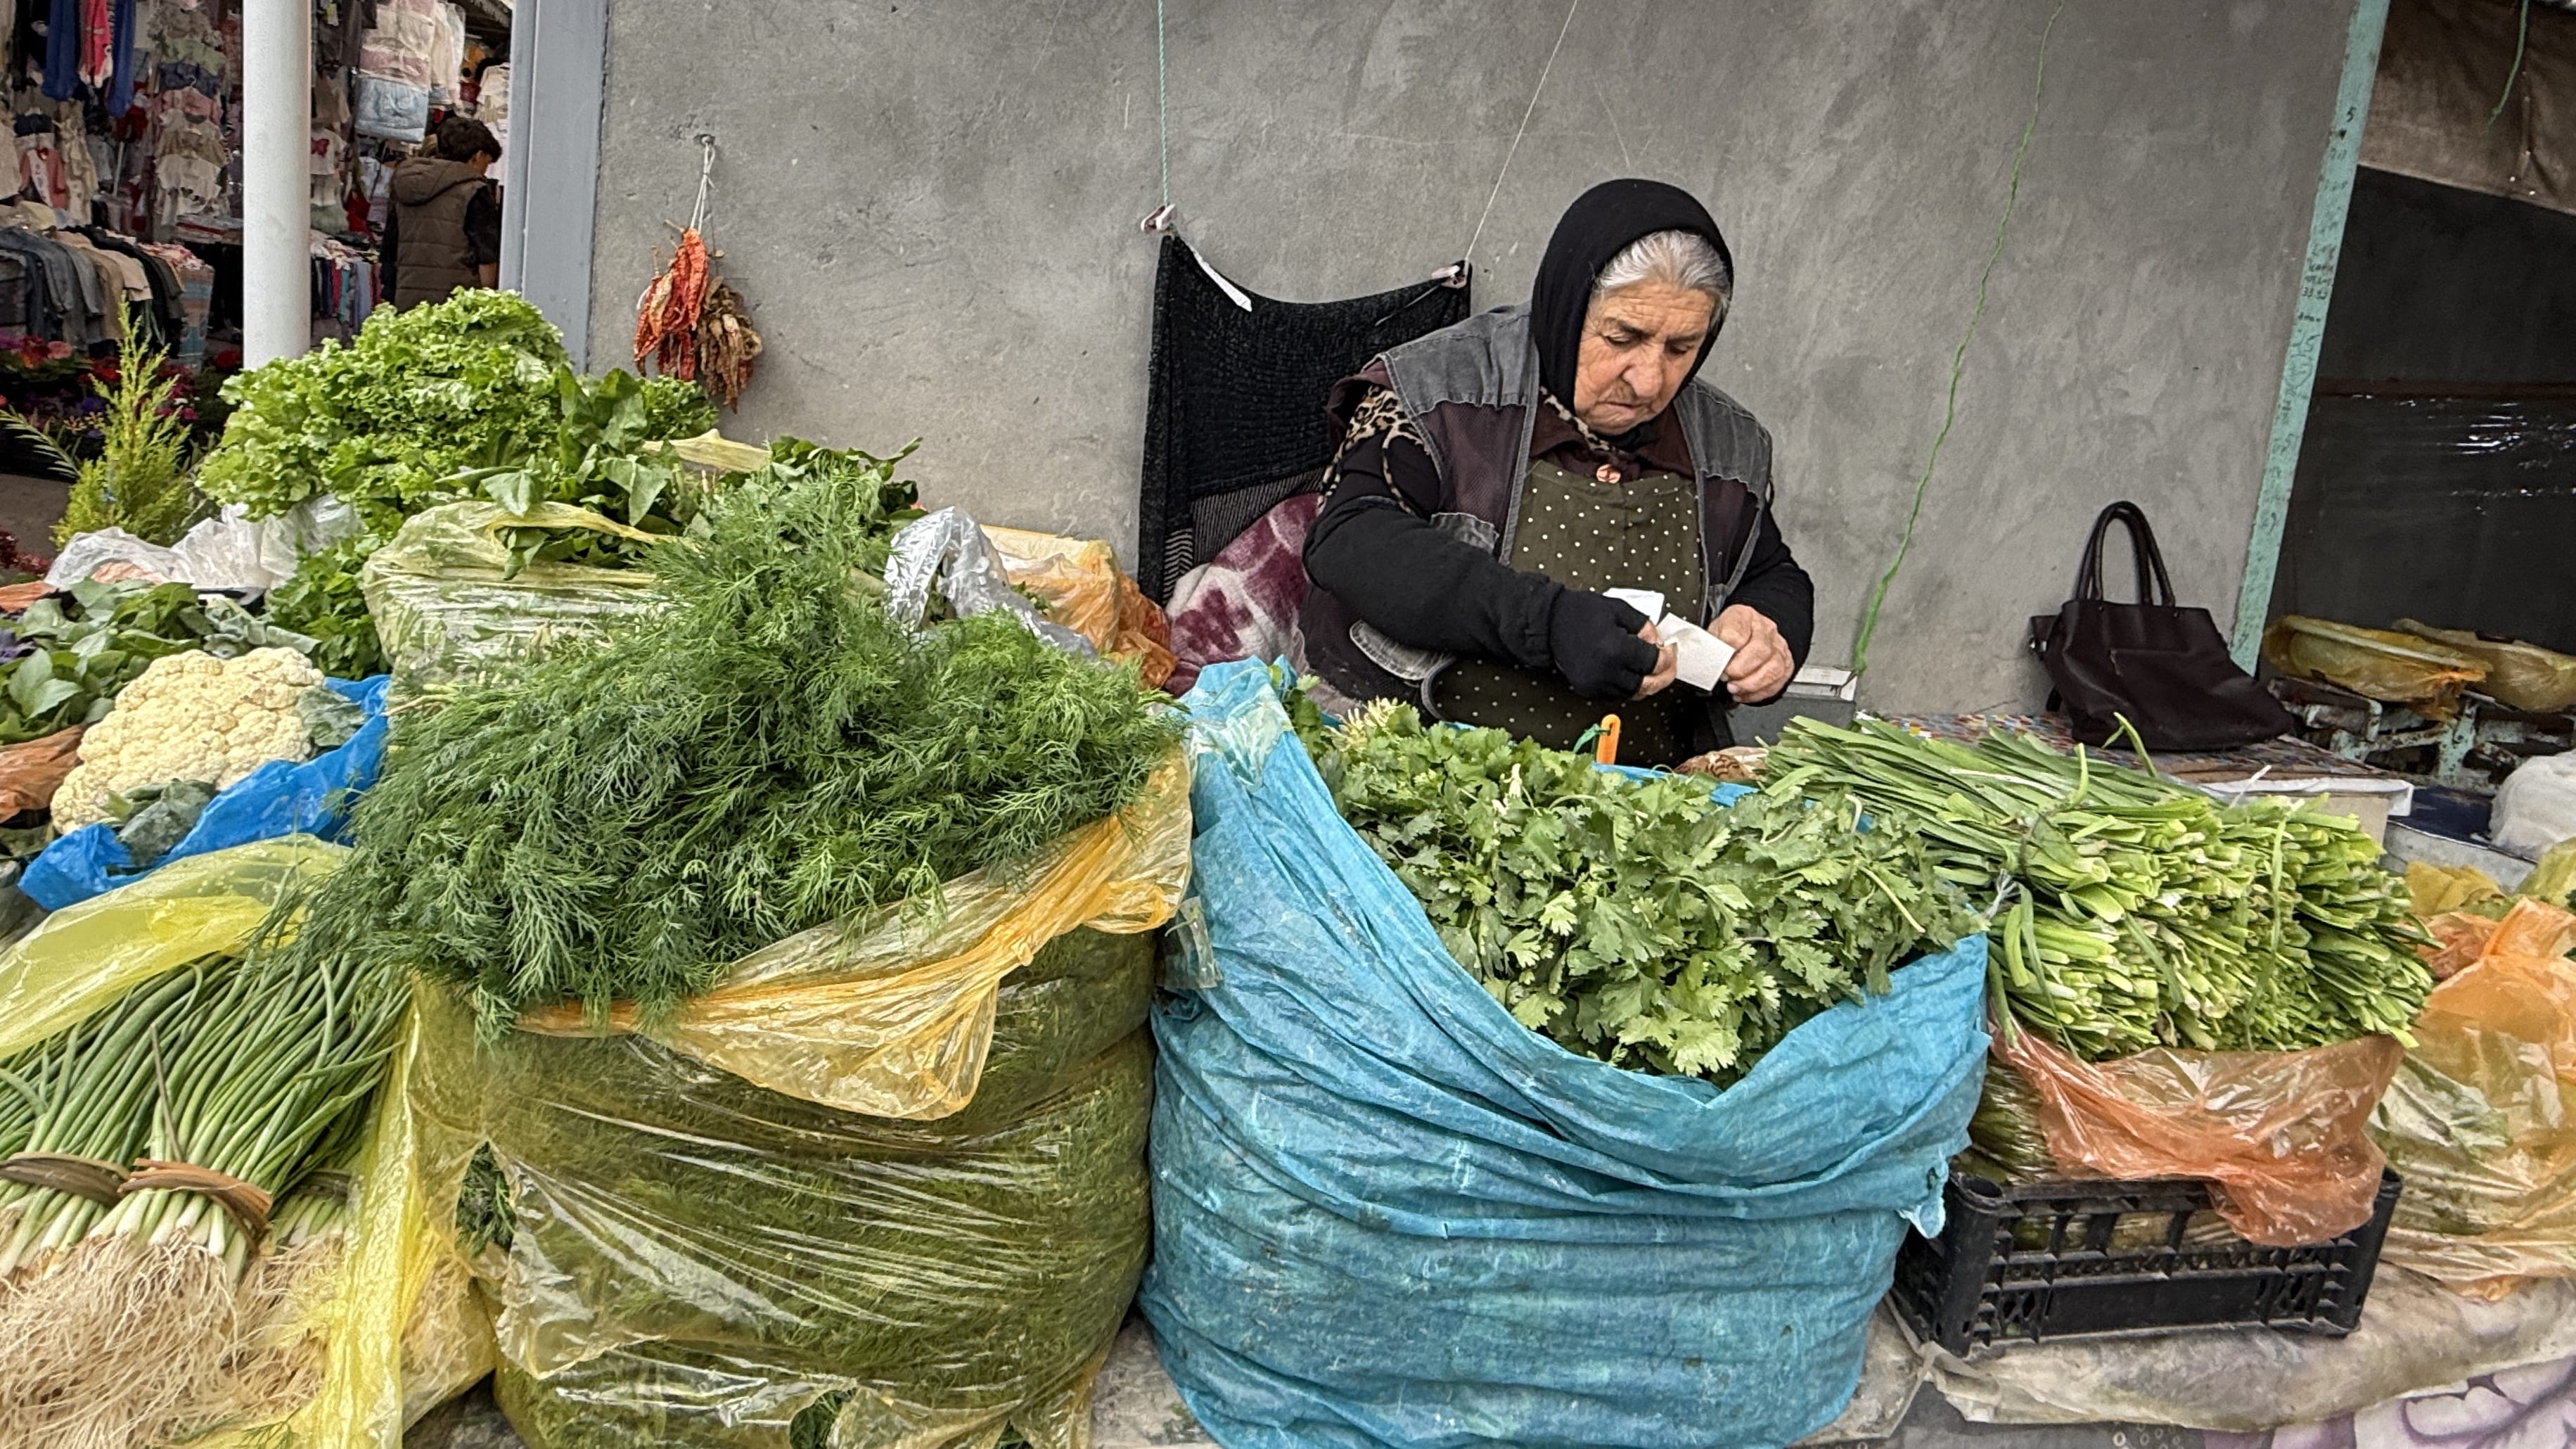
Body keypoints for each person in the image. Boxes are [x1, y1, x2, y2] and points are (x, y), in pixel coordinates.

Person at [1298, 178, 1814, 767]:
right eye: (1623, 337)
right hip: (1419, 768)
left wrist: (1770, 627)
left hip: (1650, 795)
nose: (1648, 379)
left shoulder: (1727, 441)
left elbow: (1769, 569)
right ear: (1567, 310)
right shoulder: (1435, 394)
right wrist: (1548, 623)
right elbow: (1351, 540)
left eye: (1681, 348)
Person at [382, 115, 503, 309]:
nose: (484, 172)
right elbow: (486, 256)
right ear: (477, 156)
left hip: (407, 300)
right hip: (456, 304)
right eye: (486, 164)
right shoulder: (474, 190)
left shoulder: (404, 182)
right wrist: (486, 301)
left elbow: (389, 249)